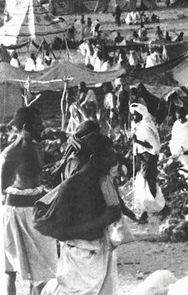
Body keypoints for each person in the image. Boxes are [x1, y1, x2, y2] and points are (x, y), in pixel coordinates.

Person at [40, 134, 122, 295]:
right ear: (94, 158)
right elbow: (60, 233)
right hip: (78, 259)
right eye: (109, 155)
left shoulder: (104, 182)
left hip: (101, 254)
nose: (114, 160)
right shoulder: (71, 187)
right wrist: (101, 221)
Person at [0, 107, 58, 295]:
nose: (42, 127)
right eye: (38, 124)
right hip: (15, 214)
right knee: (10, 271)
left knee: (43, 270)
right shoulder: (10, 154)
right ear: (26, 126)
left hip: (35, 212)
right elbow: (2, 187)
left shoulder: (34, 147)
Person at [130, 103, 163, 222]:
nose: (133, 118)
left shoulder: (145, 127)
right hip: (143, 157)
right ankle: (148, 209)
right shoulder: (140, 126)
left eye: (135, 115)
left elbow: (151, 145)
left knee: (148, 182)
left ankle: (150, 209)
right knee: (145, 181)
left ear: (140, 115)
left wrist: (137, 141)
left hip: (149, 157)